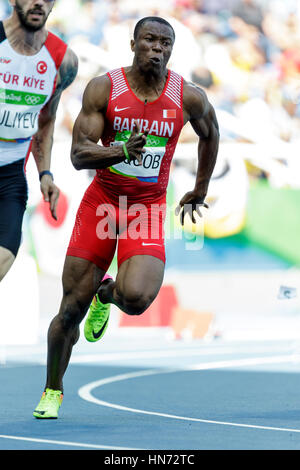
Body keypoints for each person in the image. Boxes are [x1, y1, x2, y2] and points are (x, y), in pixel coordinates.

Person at [33, 16, 219, 419]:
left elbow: (211, 134)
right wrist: (120, 152)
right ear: (133, 43)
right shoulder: (104, 89)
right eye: (149, 40)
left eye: (165, 43)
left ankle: (107, 294)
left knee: (135, 299)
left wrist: (200, 189)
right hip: (102, 203)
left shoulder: (188, 97)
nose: (157, 48)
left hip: (147, 209)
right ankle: (52, 389)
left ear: (172, 48)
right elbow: (79, 153)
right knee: (69, 310)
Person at [0, 0, 78, 281]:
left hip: (10, 177)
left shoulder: (63, 60)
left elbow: (45, 122)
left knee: (5, 256)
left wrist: (45, 173)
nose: (39, 3)